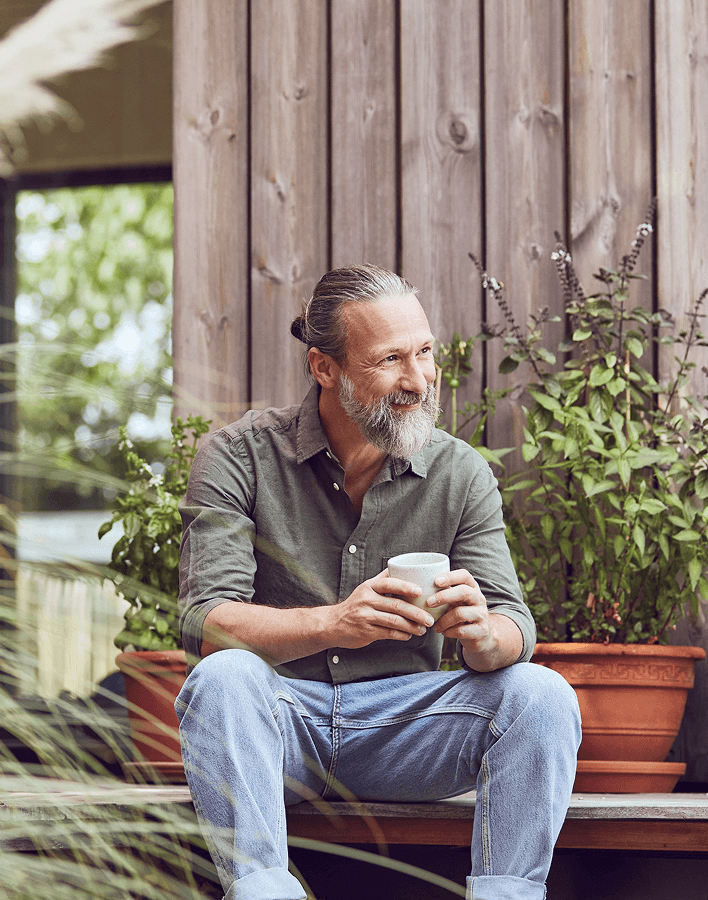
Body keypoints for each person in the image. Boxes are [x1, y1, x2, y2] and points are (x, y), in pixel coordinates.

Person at [175, 264, 581, 900]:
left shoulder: (461, 473)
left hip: (410, 729)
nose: (418, 380)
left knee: (541, 694)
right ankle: (264, 892)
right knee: (223, 678)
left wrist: (483, 636)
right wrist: (336, 623)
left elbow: (513, 627)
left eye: (425, 353)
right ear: (325, 368)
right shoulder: (238, 455)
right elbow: (207, 621)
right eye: (391, 359)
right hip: (281, 726)